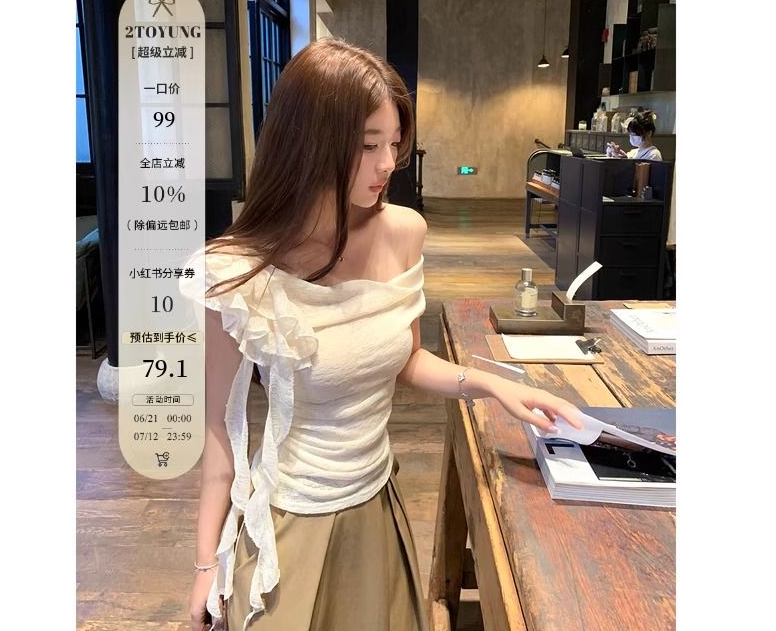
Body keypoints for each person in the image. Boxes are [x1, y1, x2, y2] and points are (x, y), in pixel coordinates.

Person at [180, 38, 583, 631]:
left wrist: (495, 386)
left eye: (395, 143)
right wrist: (204, 565)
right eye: (368, 145)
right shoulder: (236, 271)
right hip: (292, 518)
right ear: (309, 142)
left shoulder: (404, 233)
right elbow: (219, 429)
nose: (388, 163)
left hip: (376, 505)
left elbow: (407, 359)